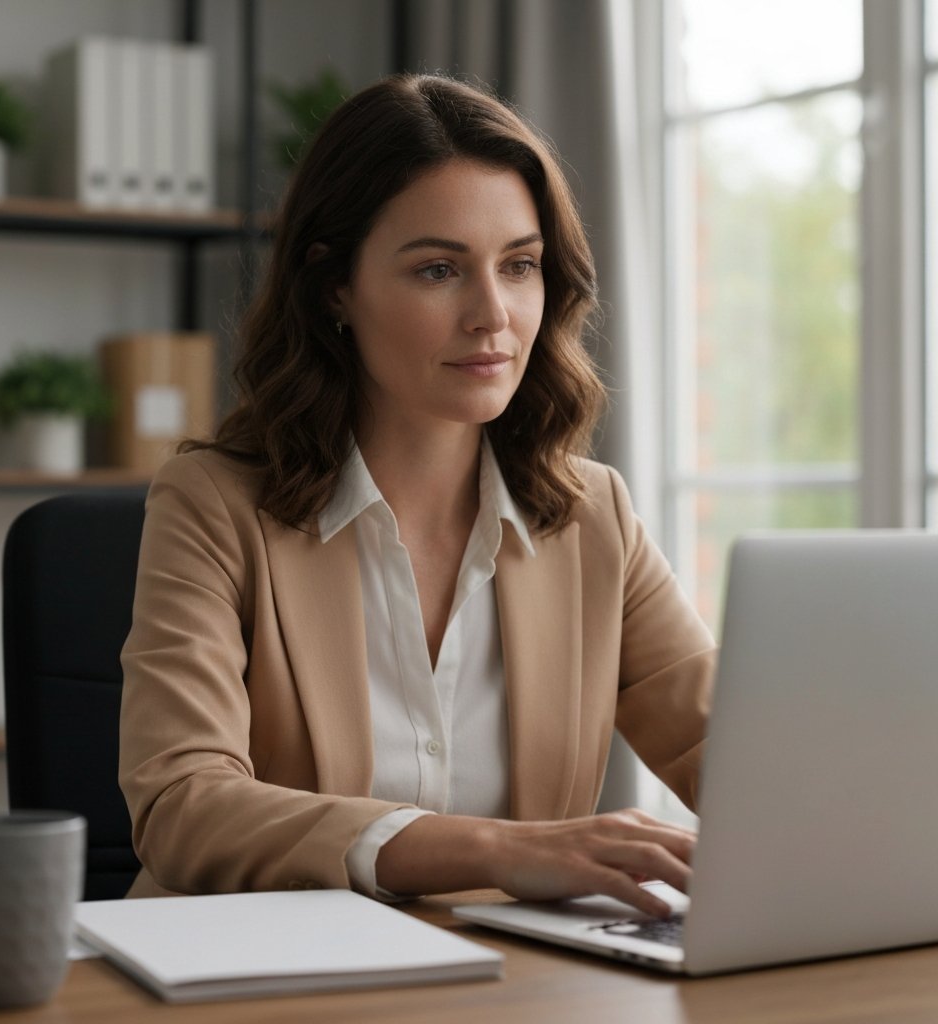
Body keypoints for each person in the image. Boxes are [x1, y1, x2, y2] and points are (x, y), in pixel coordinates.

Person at [119, 73, 715, 919]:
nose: (493, 315)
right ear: (334, 289)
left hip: (516, 984)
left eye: (520, 266)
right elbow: (183, 804)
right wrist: (501, 849)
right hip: (263, 983)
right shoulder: (212, 505)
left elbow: (730, 751)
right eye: (439, 269)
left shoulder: (592, 514)